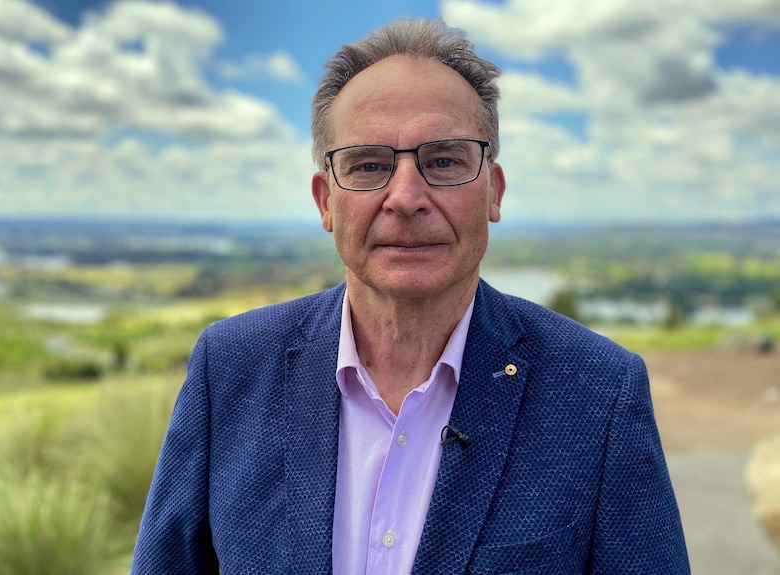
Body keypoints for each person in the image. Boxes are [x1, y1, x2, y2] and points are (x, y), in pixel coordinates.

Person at [131, 18, 690, 574]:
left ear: (492, 191)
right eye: (369, 165)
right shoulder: (229, 366)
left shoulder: (598, 391)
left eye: (444, 160)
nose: (405, 196)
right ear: (326, 202)